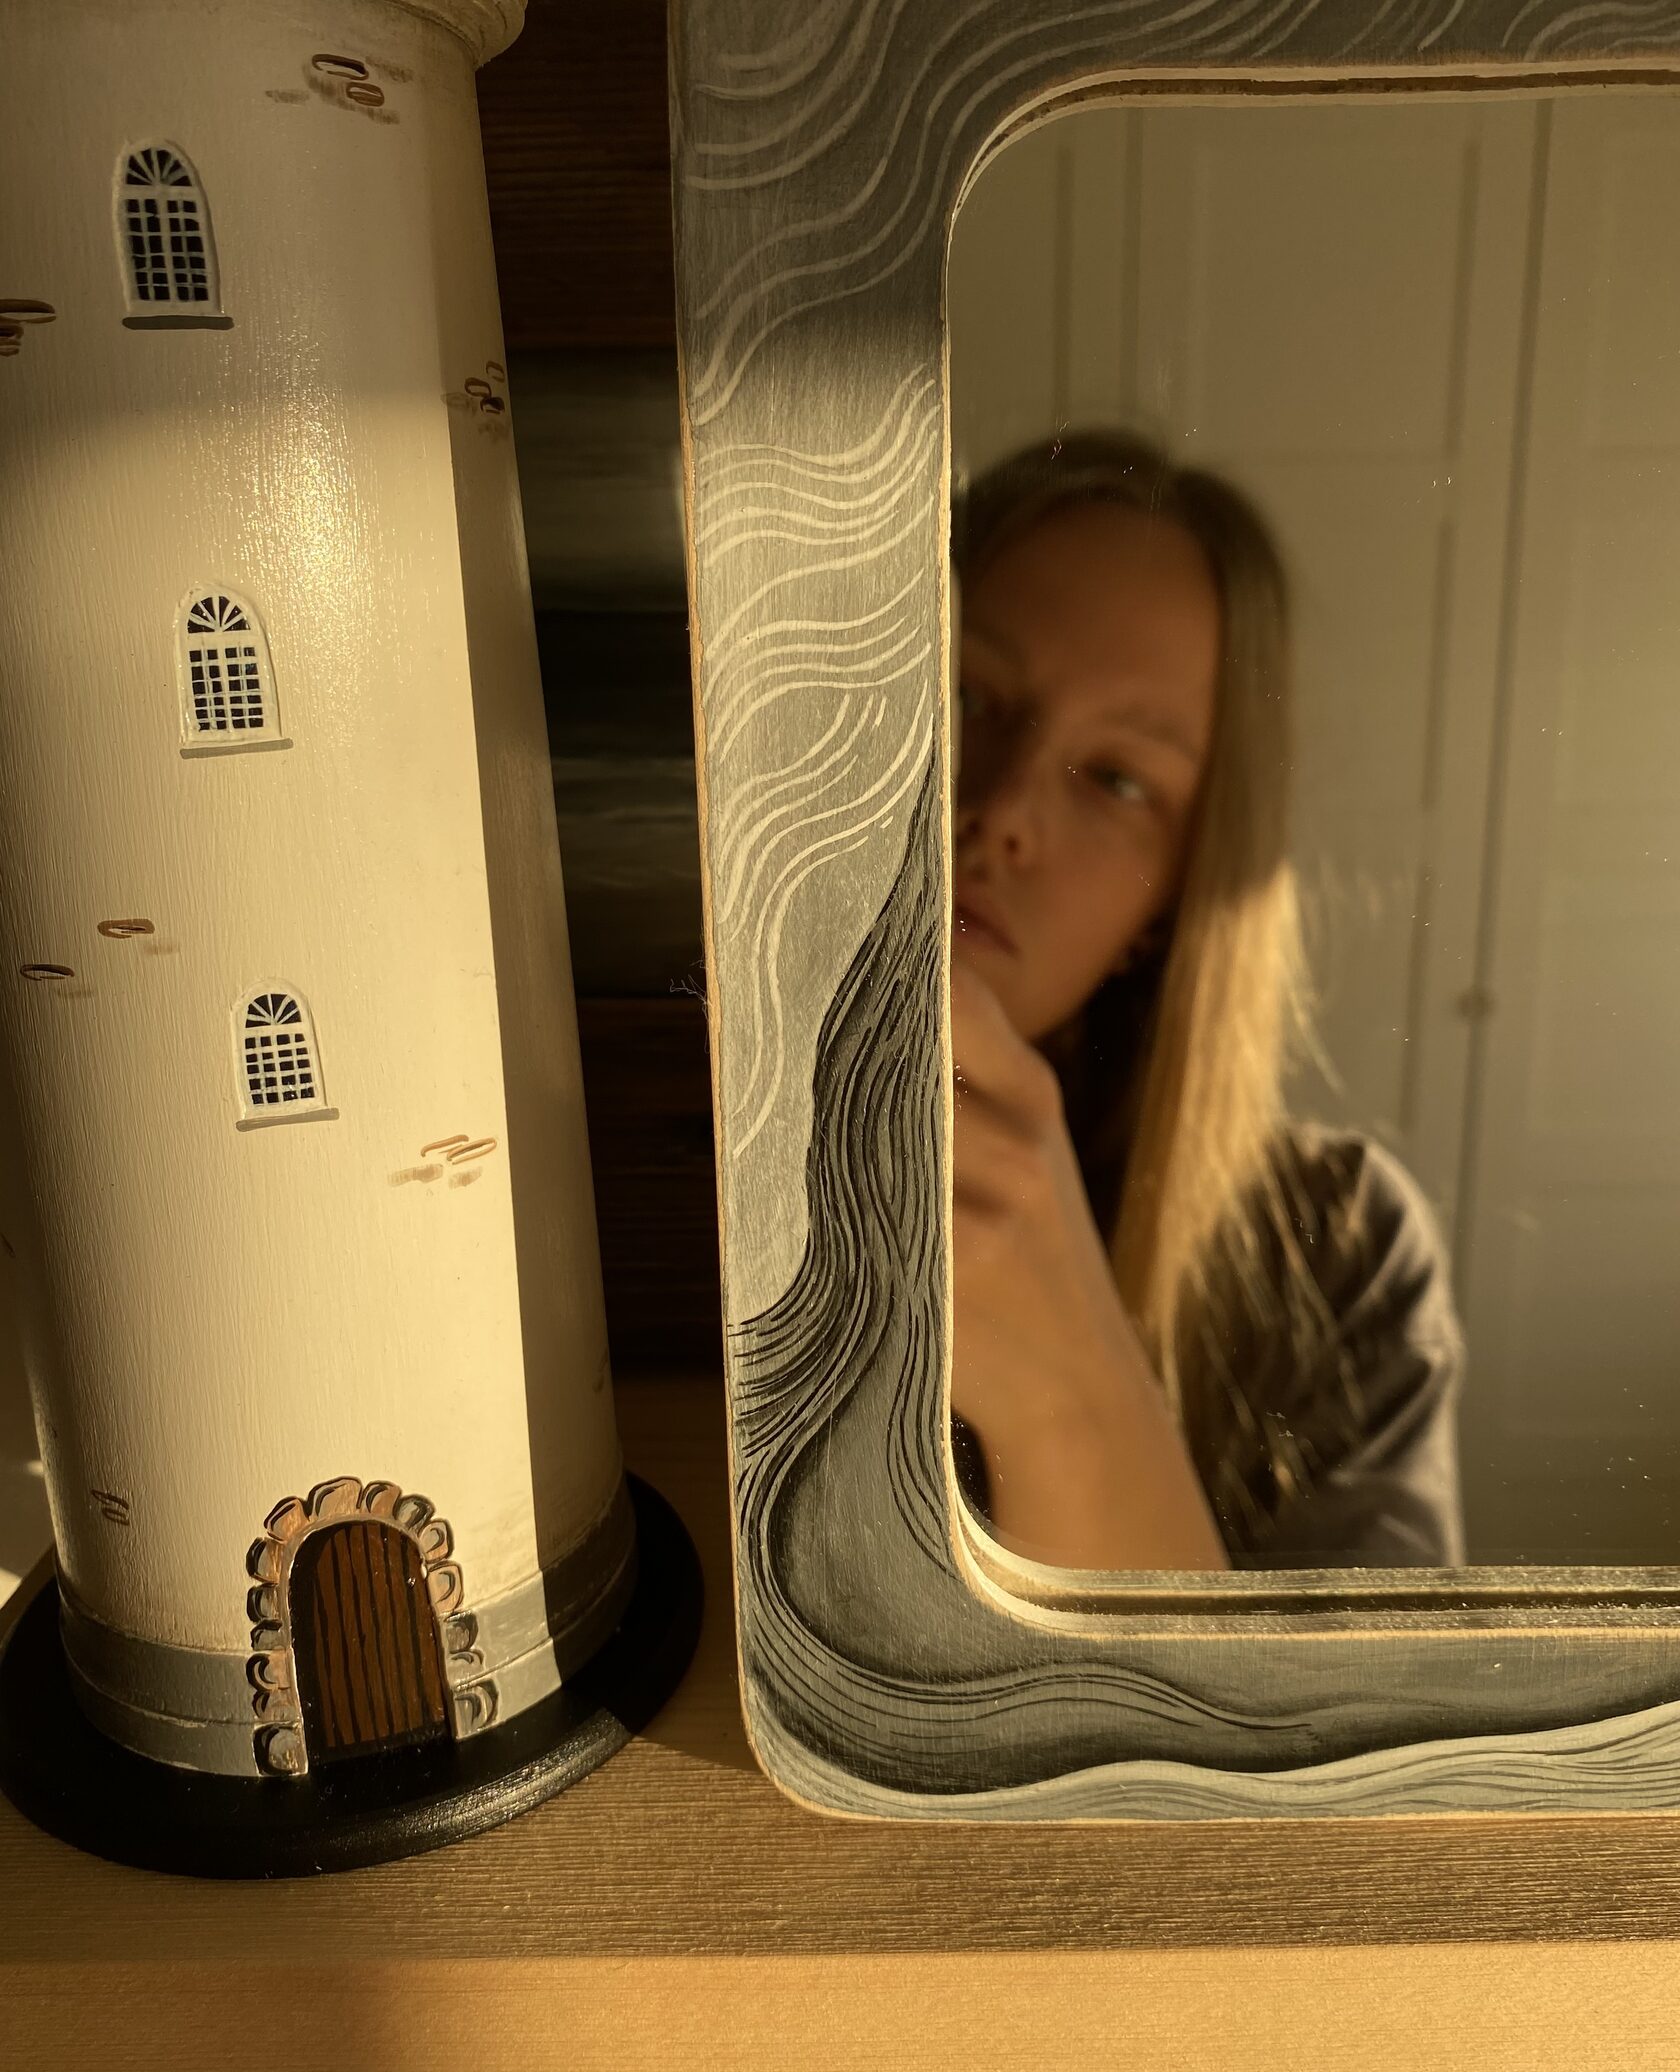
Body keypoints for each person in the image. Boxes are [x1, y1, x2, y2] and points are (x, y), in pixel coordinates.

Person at [947, 429, 1465, 1572]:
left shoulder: (1343, 1255)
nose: (1007, 810)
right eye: (969, 695)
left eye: (1117, 779)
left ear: (1173, 898)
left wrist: (1068, 1396)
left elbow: (1367, 1699)